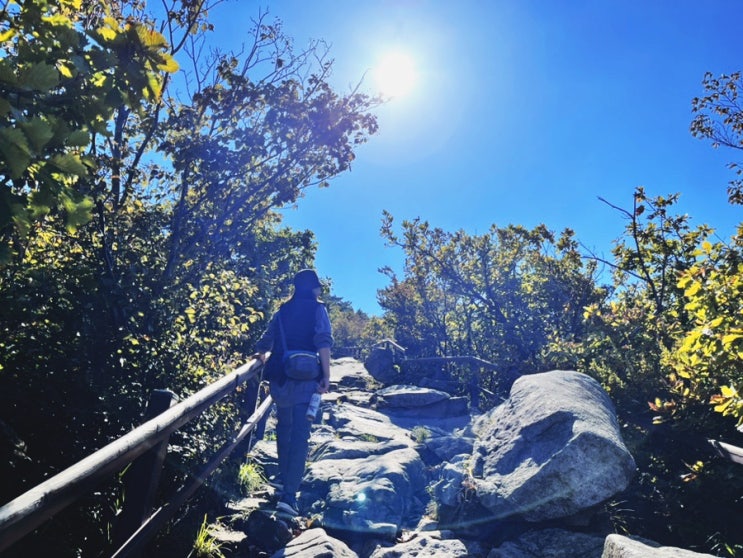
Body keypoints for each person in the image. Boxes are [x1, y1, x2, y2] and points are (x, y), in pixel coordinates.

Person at [253, 268, 332, 516]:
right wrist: (327, 375)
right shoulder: (318, 309)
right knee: (300, 435)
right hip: (306, 380)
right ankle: (289, 496)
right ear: (313, 288)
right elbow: (323, 342)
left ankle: (283, 478)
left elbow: (266, 341)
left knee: (284, 429)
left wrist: (260, 356)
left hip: (282, 379)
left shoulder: (282, 311)